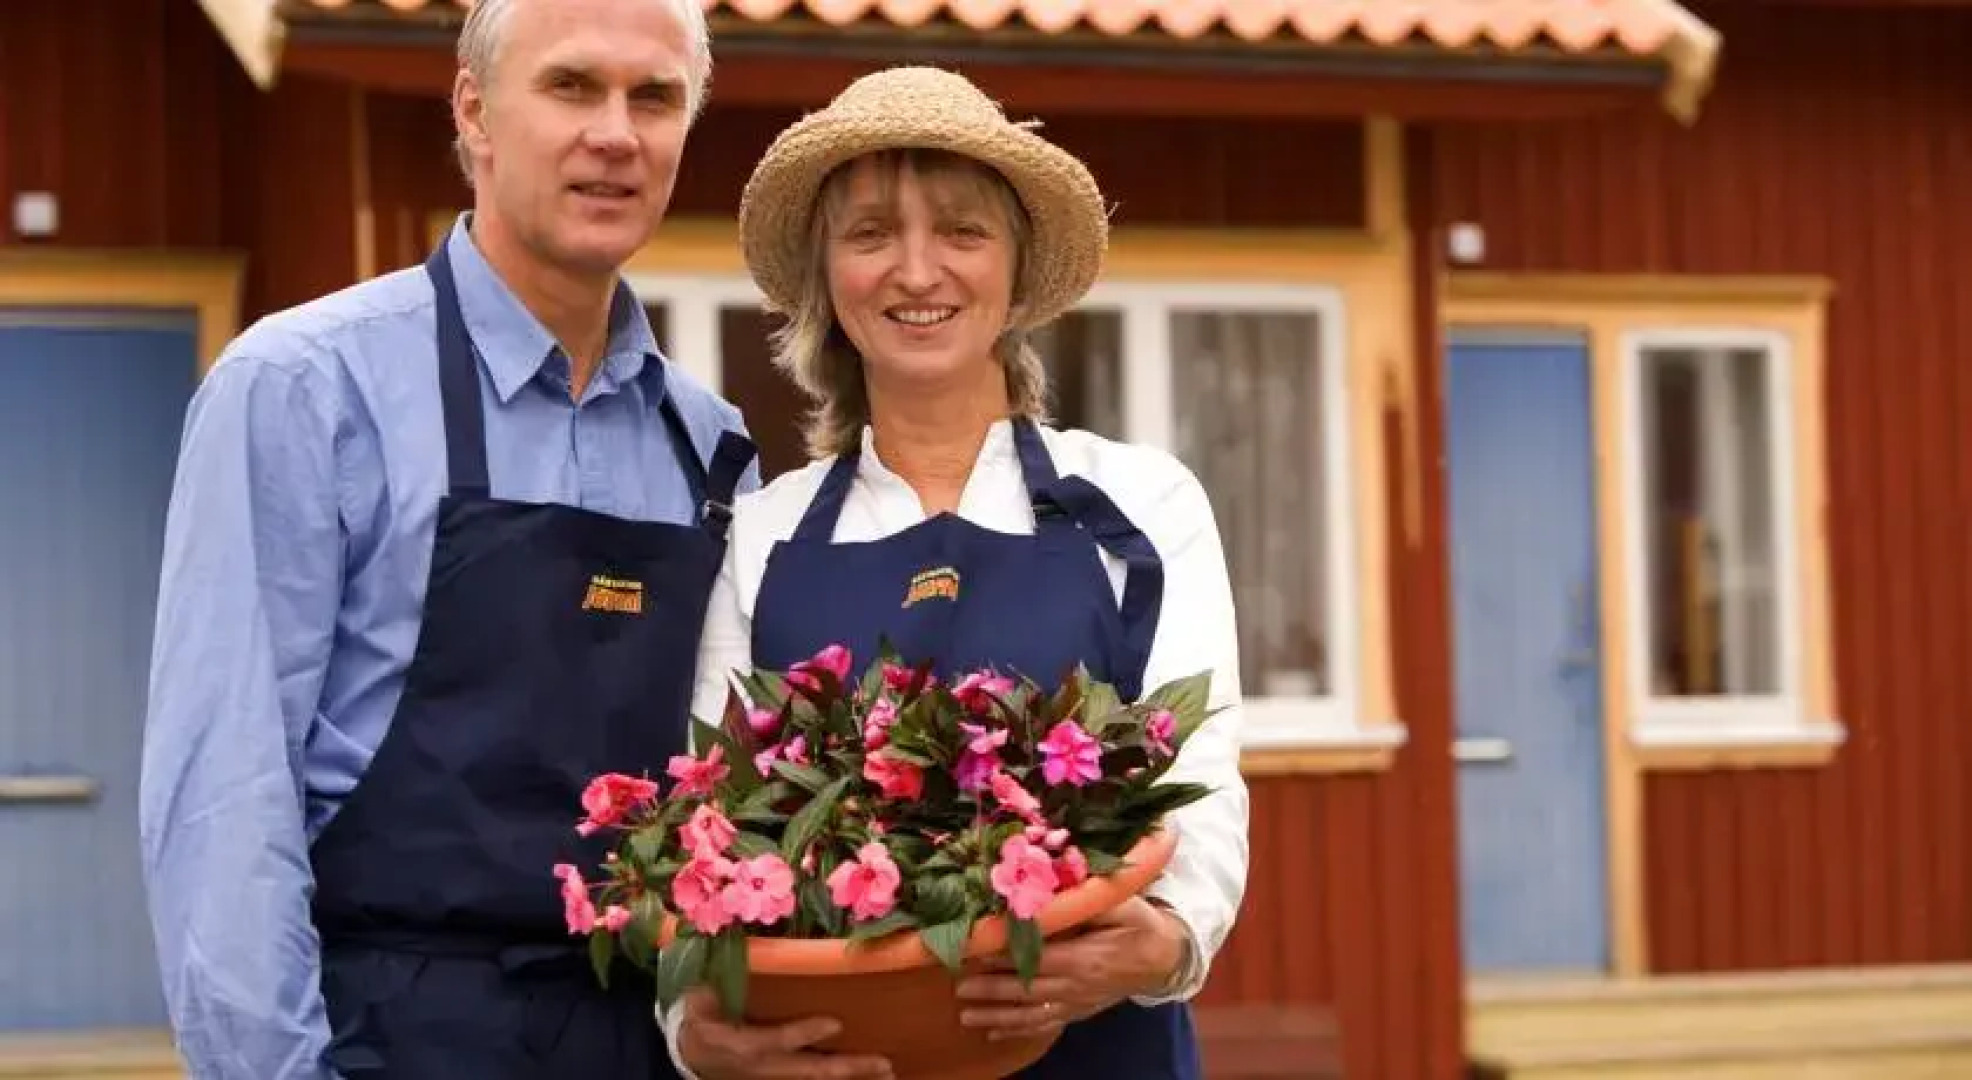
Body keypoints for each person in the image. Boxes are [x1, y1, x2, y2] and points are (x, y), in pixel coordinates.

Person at [135, 0, 772, 1075]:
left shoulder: (708, 450)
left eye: (653, 98)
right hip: (387, 1032)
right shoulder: (304, 389)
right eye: (571, 86)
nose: (615, 133)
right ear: (474, 112)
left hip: (640, 1041)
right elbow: (225, 797)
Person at [669, 66, 1251, 1080]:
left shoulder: (1141, 505)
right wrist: (690, 1029)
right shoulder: (761, 533)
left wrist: (1163, 937)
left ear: (1017, 275)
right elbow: (707, 826)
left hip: (1097, 1047)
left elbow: (1199, 785)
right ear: (827, 280)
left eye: (961, 231)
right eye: (869, 234)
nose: (916, 270)